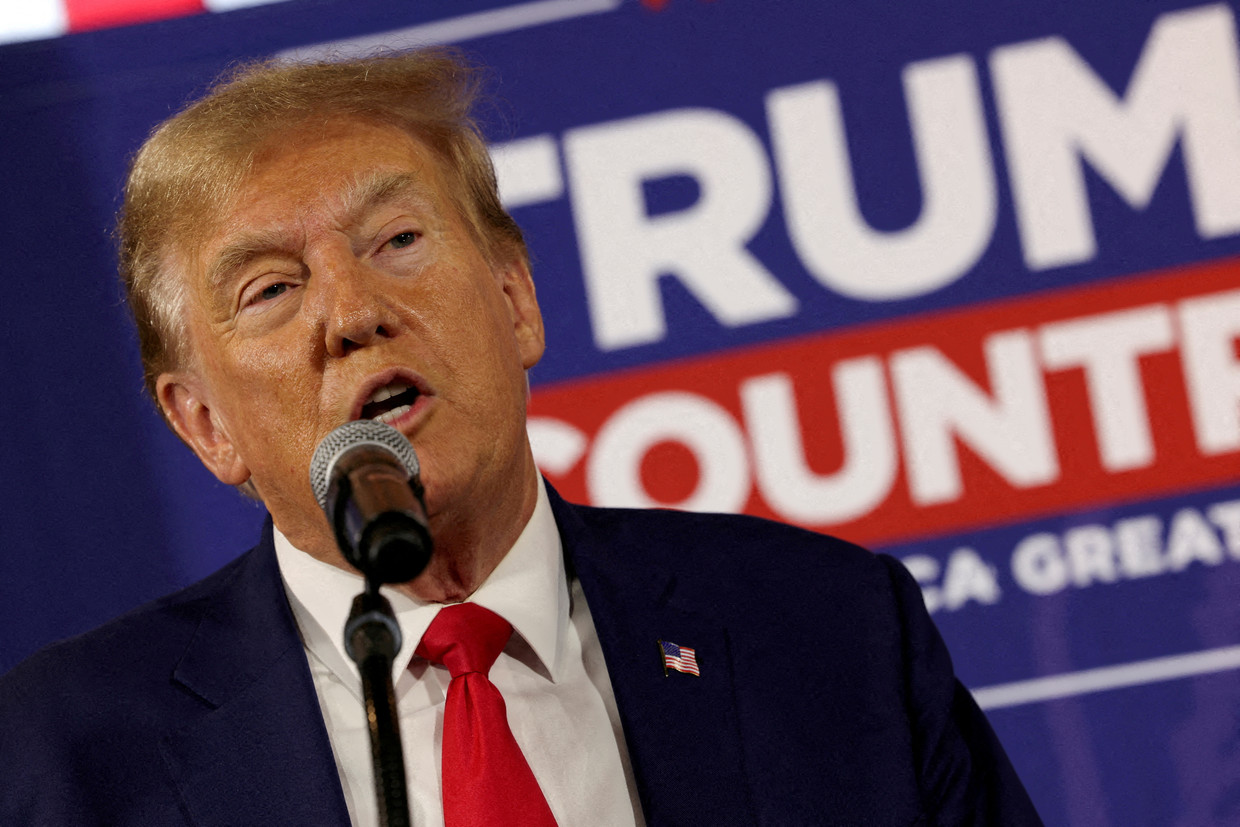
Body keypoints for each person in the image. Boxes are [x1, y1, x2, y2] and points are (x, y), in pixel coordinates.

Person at [0, 49, 1042, 826]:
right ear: (205, 423)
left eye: (398, 240)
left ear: (515, 299)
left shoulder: (826, 632)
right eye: (272, 288)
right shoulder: (67, 757)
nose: (353, 311)